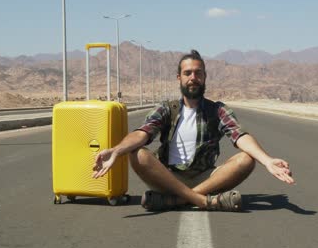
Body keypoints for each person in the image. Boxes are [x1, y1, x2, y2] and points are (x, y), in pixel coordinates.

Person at [92, 49, 295, 211]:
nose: (193, 78)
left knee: (247, 159)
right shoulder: (166, 109)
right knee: (137, 154)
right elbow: (142, 133)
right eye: (187, 73)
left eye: (198, 73)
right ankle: (203, 201)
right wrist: (117, 151)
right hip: (168, 178)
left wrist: (267, 160)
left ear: (205, 77)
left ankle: (178, 201)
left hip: (206, 178)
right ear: (179, 78)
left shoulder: (217, 110)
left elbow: (239, 135)